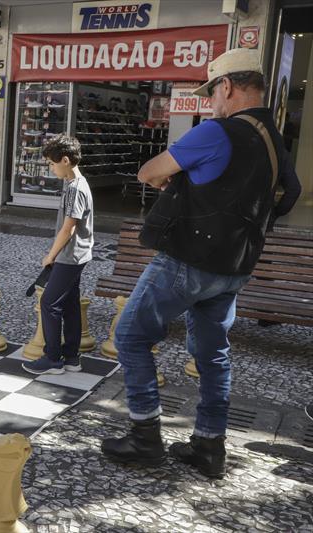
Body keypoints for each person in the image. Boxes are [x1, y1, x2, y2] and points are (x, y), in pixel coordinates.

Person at [101, 48, 301, 479]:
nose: (212, 101)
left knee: (130, 334)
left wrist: (180, 178)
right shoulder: (274, 141)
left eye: (213, 92)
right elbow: (291, 194)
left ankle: (144, 436)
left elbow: (148, 172)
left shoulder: (217, 133)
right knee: (213, 356)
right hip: (234, 267)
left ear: (227, 86)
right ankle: (209, 447)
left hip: (187, 260)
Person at [22, 134, 93, 376]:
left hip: (69, 255)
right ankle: (72, 357)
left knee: (49, 303)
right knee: (70, 304)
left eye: (52, 164)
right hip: (78, 255)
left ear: (65, 160)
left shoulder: (75, 188)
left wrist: (50, 255)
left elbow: (68, 227)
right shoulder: (78, 183)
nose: (51, 168)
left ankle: (52, 358)